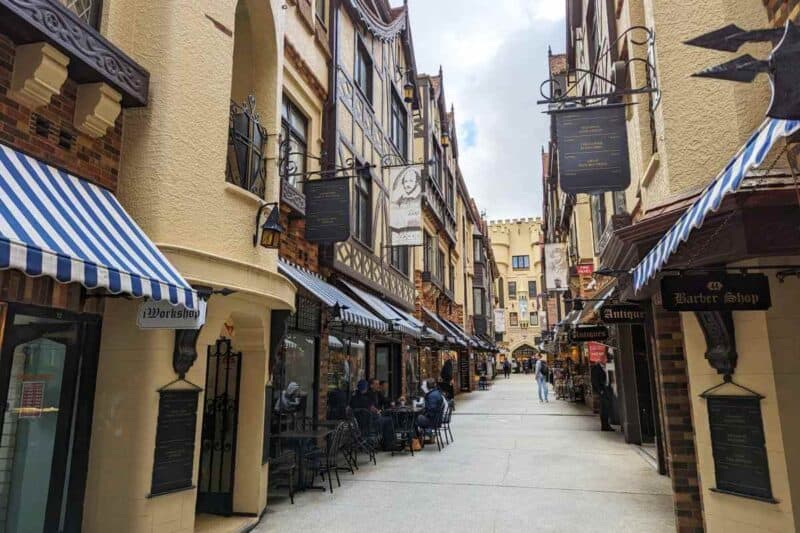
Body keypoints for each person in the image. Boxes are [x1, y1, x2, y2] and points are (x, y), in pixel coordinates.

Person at [591, 362, 613, 431]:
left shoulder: (608, 366)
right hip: (602, 390)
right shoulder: (596, 368)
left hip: (608, 389)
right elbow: (594, 380)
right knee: (604, 408)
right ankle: (604, 425)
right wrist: (600, 390)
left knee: (608, 407)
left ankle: (607, 425)